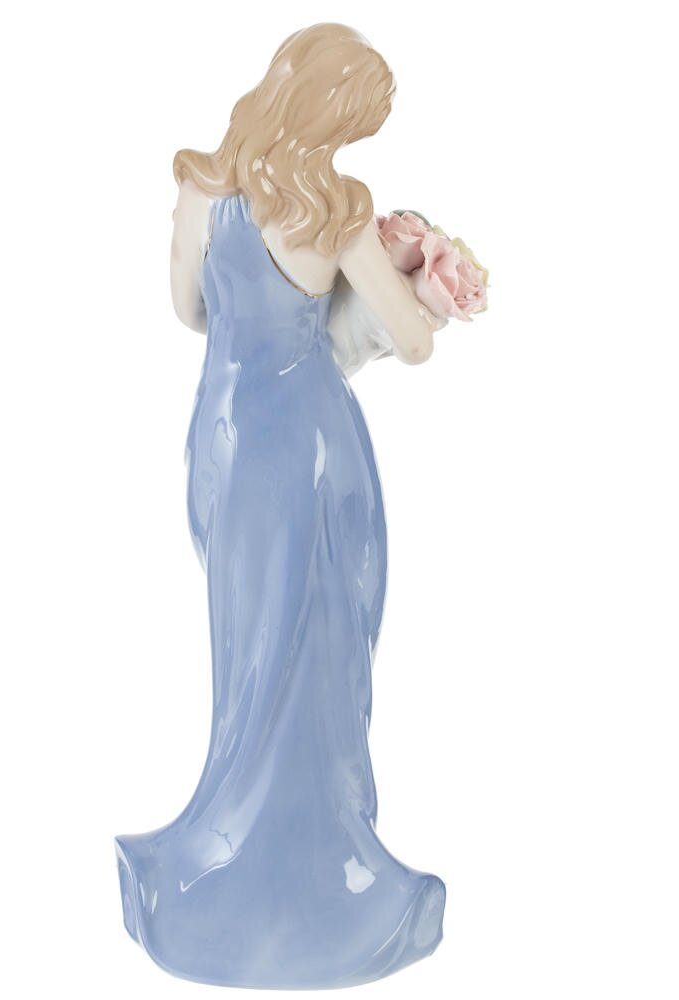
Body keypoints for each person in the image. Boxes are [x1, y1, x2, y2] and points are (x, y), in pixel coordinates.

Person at [116, 23, 446, 988]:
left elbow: (190, 311)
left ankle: (234, 852)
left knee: (250, 655)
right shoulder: (336, 210)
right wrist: (420, 277)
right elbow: (412, 342)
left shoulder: (202, 185)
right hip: (308, 446)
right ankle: (312, 868)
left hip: (225, 442)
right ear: (333, 113)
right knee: (317, 653)